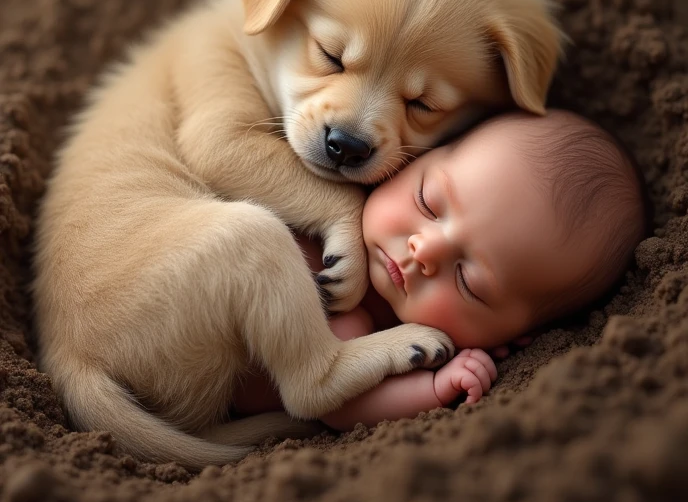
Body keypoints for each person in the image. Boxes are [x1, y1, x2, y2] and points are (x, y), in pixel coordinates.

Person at [232, 109, 649, 430]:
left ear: (514, 338)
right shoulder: (330, 177)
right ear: (418, 157)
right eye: (428, 202)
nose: (424, 249)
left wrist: (432, 388)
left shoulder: (367, 336)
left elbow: (339, 408)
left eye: (469, 281)